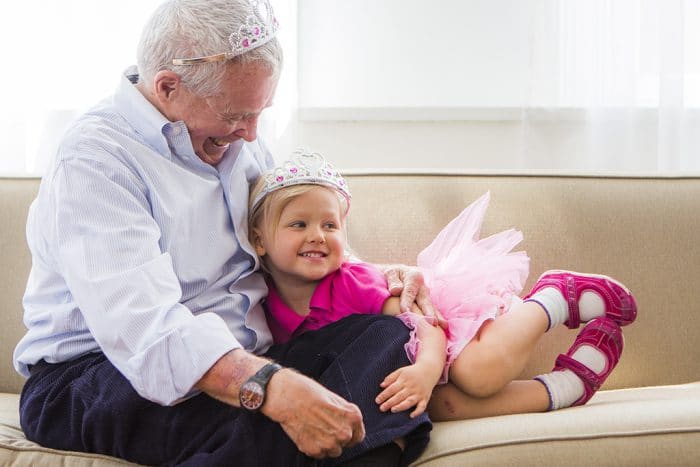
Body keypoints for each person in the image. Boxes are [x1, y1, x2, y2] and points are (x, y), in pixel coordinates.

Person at [13, 1, 436, 465]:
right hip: (96, 374)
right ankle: (370, 448)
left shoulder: (234, 139)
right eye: (238, 115)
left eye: (260, 114)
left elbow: (283, 239)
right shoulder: (95, 160)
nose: (252, 135)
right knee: (276, 422)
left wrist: (370, 272)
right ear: (168, 87)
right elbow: (148, 335)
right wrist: (272, 387)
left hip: (246, 360)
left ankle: (350, 442)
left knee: (384, 335)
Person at [248, 149, 638, 422]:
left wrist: (427, 369)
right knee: (436, 409)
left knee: (477, 373)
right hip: (403, 370)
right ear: (260, 241)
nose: (317, 235)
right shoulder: (263, 308)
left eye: (329, 225)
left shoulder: (351, 283)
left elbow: (425, 323)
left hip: (439, 335)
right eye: (299, 225)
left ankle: (554, 297)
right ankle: (563, 388)